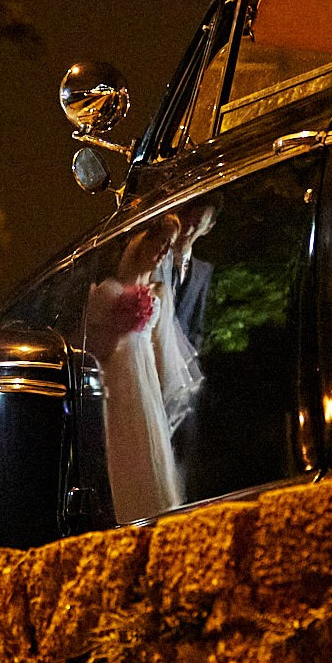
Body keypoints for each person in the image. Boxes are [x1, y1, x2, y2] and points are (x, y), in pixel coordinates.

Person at [85, 216, 203, 523]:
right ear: (142, 241)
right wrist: (119, 326)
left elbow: (158, 348)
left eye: (167, 245)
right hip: (118, 383)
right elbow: (94, 349)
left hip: (144, 382)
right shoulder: (106, 292)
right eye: (159, 241)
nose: (163, 251)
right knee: (126, 449)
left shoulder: (158, 295)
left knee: (151, 447)